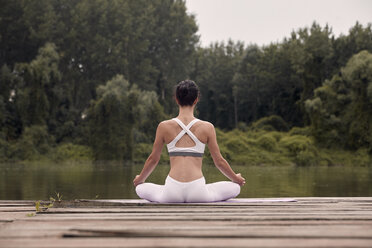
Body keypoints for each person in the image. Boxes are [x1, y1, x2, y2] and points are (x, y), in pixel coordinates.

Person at [133, 80, 245, 203]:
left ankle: (163, 189)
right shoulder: (207, 127)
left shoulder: (164, 126)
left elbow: (153, 159)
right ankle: (207, 189)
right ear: (196, 100)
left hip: (171, 193)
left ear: (176, 99)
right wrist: (236, 178)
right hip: (199, 192)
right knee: (235, 188)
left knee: (140, 188)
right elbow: (219, 162)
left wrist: (140, 179)